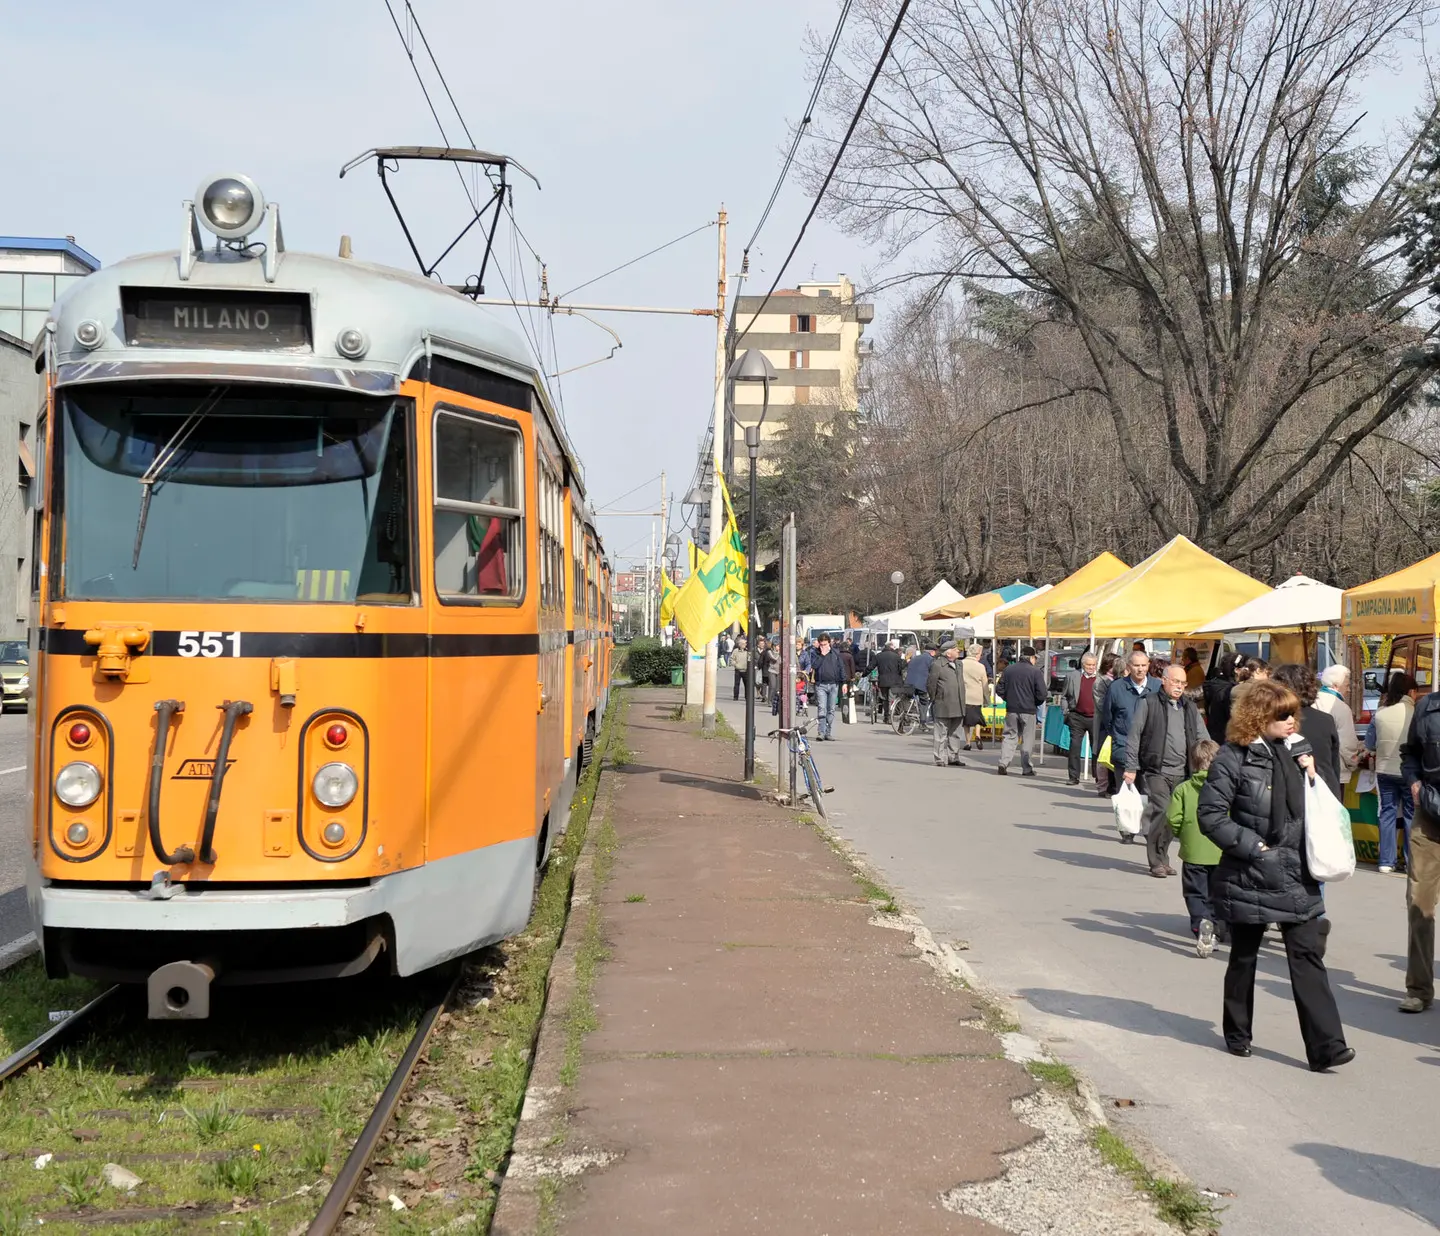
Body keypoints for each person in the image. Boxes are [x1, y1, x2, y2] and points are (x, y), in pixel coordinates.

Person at [1198, 679, 1353, 1070]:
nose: (1290, 721)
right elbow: (1211, 815)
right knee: (1244, 956)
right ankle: (1238, 1033)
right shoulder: (1233, 758)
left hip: (1298, 871)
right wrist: (1254, 848)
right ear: (1258, 717)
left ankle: (1327, 1047)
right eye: (1281, 715)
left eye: (1292, 714)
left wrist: (1313, 772)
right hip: (1251, 871)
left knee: (1307, 955)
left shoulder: (1301, 751)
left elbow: (1325, 806)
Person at [1124, 665, 1206, 876]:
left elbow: (1202, 737)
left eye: (1183, 683)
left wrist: (1209, 761)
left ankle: (1164, 857)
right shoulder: (1149, 703)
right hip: (1156, 769)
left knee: (1174, 815)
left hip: (1183, 771)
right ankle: (1155, 861)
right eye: (1176, 682)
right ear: (1164, 680)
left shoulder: (1189, 707)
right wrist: (1131, 767)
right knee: (1163, 809)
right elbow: (1134, 736)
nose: (1179, 687)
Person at [1400, 683, 1440, 1012]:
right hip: (1429, 817)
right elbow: (1409, 752)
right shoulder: (1426, 708)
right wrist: (1413, 780)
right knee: (1419, 905)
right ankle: (1419, 989)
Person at [1168, 737, 1225, 956]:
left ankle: (1201, 923)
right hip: (1220, 850)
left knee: (1195, 892)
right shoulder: (1225, 788)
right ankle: (1216, 929)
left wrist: (1181, 833)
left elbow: (1173, 817)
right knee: (1217, 893)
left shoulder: (1183, 789)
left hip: (1193, 851)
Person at [1368, 672, 1417, 875]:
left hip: (1384, 771)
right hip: (1409, 772)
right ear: (1411, 692)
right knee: (1411, 814)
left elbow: (1370, 743)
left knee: (1387, 813)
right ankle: (1410, 861)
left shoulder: (1379, 713)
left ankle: (1385, 862)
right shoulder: (1416, 713)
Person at [1272, 664, 1343, 799]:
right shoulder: (1326, 720)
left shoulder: (1274, 723)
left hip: (1291, 796)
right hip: (1325, 792)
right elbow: (1334, 765)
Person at [1100, 650, 1160, 799]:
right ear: (1128, 666)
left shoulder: (1158, 687)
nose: (1140, 669)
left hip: (1149, 752)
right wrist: (1117, 737)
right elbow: (1108, 717)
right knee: (1126, 799)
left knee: (1149, 798)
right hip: (1123, 750)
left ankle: (1145, 823)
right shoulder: (1116, 687)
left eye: (1143, 665)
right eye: (1136, 665)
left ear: (1148, 665)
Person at [996, 646, 1047, 777]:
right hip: (1028, 710)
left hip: (1012, 709)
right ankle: (1026, 768)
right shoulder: (1035, 672)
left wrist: (1008, 698)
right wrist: (1035, 703)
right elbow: (1042, 693)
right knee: (1027, 739)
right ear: (1031, 657)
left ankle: (1003, 762)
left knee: (1009, 736)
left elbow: (999, 688)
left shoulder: (1008, 670)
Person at [1062, 652, 1103, 786]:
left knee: (1096, 749)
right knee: (1074, 747)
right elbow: (1065, 696)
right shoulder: (1073, 676)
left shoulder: (1101, 679)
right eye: (1089, 665)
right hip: (1077, 716)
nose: (1091, 667)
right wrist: (1065, 711)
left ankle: (1099, 778)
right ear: (1083, 664)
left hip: (1095, 718)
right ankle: (1073, 777)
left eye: (1094, 665)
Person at [1314, 664, 1361, 780]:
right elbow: (1347, 744)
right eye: (1347, 686)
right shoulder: (1341, 708)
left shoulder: (1312, 701)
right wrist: (1353, 763)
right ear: (1336, 686)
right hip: (1335, 769)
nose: (1349, 690)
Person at [927, 640, 968, 766]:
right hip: (943, 703)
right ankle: (939, 758)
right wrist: (935, 698)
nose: (958, 651)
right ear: (948, 653)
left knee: (955, 733)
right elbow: (931, 684)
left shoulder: (959, 664)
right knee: (941, 733)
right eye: (956, 649)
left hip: (959, 703)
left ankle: (953, 756)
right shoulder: (938, 665)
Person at [809, 634, 846, 741]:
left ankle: (828, 732)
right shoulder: (815, 653)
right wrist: (822, 655)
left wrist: (844, 682)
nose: (823, 647)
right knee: (822, 708)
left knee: (831, 709)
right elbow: (814, 666)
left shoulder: (835, 653)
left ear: (829, 643)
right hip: (821, 685)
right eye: (821, 645)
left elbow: (841, 668)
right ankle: (821, 732)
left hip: (834, 684)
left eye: (825, 644)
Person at [1203, 653, 1240, 745]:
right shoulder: (1229, 690)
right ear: (1237, 670)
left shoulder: (1216, 686)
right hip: (1226, 738)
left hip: (1215, 734)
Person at [962, 643, 991, 751]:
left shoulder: (961, 664)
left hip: (965, 696)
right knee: (978, 718)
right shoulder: (980, 666)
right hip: (977, 696)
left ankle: (968, 742)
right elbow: (985, 684)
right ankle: (978, 735)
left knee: (966, 721)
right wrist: (987, 699)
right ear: (977, 654)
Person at [875, 638, 905, 723]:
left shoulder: (879, 655)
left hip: (883, 680)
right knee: (891, 699)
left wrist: (864, 674)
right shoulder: (896, 657)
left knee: (885, 699)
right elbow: (900, 668)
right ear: (892, 647)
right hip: (894, 681)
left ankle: (886, 717)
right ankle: (890, 716)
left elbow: (871, 666)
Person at [905, 643, 935, 725]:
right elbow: (932, 673)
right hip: (921, 684)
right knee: (924, 702)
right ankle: (922, 723)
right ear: (932, 652)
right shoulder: (931, 659)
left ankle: (905, 717)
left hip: (909, 683)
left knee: (907, 699)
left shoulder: (915, 658)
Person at [731, 635, 749, 702]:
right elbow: (732, 659)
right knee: (736, 684)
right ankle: (735, 697)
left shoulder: (747, 651)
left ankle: (747, 697)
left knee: (747, 684)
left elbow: (750, 659)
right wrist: (735, 664)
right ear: (740, 644)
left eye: (745, 643)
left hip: (746, 670)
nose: (745, 645)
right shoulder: (736, 651)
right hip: (738, 670)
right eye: (743, 644)